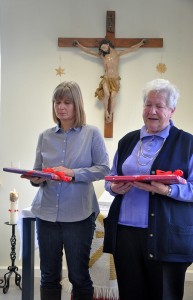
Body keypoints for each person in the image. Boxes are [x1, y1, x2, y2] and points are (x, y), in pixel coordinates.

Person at [103, 78, 193, 300]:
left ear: (172, 110)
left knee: (164, 294)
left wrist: (168, 191)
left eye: (159, 106)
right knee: (131, 293)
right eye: (148, 104)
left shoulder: (188, 144)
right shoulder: (127, 141)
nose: (152, 111)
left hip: (166, 235)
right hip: (125, 234)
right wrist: (114, 187)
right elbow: (110, 178)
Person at [21, 81, 110, 300]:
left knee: (78, 276)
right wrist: (35, 178)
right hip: (46, 213)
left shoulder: (92, 134)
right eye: (57, 102)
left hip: (79, 215)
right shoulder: (45, 136)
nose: (61, 107)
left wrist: (73, 173)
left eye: (67, 102)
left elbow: (104, 169)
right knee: (48, 275)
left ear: (76, 105)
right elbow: (38, 172)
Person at [73, 38, 146, 123]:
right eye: (102, 49)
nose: (103, 49)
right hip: (106, 78)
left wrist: (140, 43)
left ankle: (111, 113)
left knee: (113, 96)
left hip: (115, 79)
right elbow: (89, 51)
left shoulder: (117, 53)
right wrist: (79, 45)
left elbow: (130, 49)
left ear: (108, 44)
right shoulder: (102, 56)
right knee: (107, 94)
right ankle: (106, 111)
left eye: (104, 47)